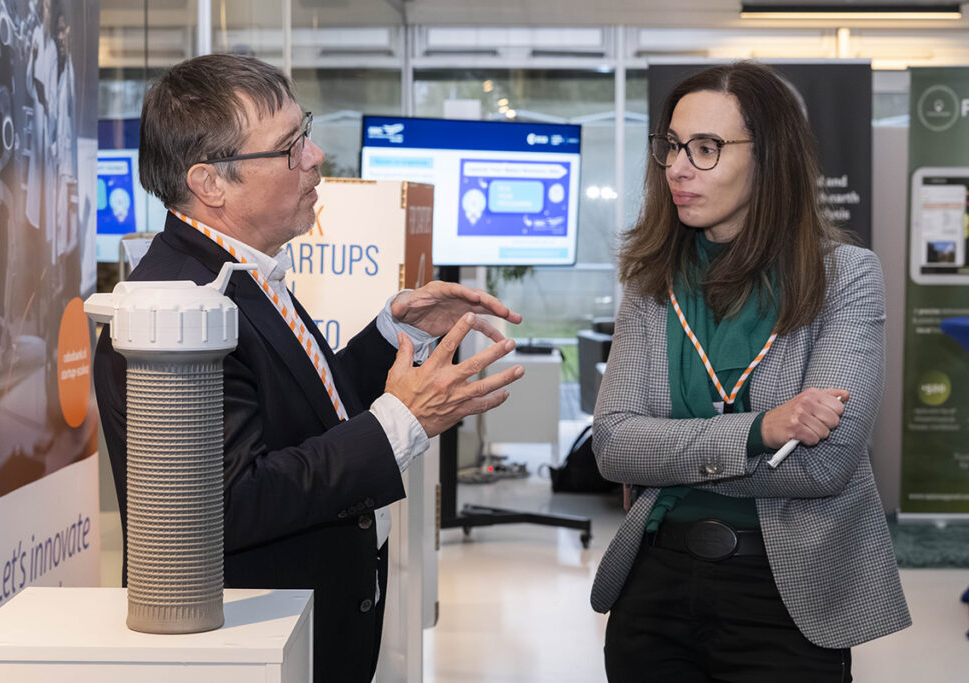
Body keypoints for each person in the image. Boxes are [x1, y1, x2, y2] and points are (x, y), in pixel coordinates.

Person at [93, 53, 524, 683]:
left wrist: (394, 332)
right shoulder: (173, 310)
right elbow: (229, 504)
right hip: (252, 644)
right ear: (211, 183)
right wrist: (401, 423)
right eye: (289, 147)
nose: (316, 156)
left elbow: (306, 413)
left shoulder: (241, 269)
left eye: (306, 132)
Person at [591, 61, 910, 682]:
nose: (678, 168)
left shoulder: (845, 278)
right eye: (673, 147)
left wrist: (672, 456)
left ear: (770, 158)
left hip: (785, 595)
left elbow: (824, 466)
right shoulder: (652, 283)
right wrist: (761, 431)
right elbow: (612, 448)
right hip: (653, 590)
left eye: (706, 149)